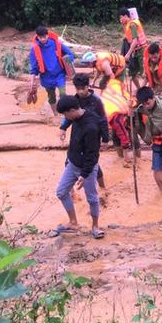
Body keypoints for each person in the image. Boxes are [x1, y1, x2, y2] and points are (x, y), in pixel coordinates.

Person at [55, 95, 104, 239]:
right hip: (72, 163)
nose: (65, 117)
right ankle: (73, 222)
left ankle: (95, 226)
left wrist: (84, 174)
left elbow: (93, 154)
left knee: (92, 198)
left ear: (71, 111)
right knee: (61, 192)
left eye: (65, 114)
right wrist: (63, 128)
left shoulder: (91, 127)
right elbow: (67, 123)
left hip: (87, 168)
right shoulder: (75, 118)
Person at [59, 73, 109, 188]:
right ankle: (70, 190)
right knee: (69, 161)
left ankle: (103, 187)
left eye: (83, 88)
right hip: (77, 134)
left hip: (92, 135)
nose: (80, 91)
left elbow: (103, 120)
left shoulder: (96, 101)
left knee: (92, 163)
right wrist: (63, 128)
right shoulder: (75, 99)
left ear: (88, 86)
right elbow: (68, 115)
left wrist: (105, 139)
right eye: (78, 89)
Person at [28, 26, 75, 116]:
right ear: (37, 37)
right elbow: (33, 67)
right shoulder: (34, 49)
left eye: (44, 37)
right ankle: (55, 115)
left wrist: (68, 64)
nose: (43, 39)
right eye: (40, 37)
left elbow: (69, 54)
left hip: (59, 74)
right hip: (46, 77)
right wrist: (32, 82)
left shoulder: (56, 43)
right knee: (51, 97)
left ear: (47, 35)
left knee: (63, 94)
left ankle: (65, 115)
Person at [101, 78, 140, 166]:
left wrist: (131, 103)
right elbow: (124, 137)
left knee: (133, 139)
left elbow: (131, 103)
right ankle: (125, 158)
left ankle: (131, 157)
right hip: (118, 120)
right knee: (122, 138)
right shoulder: (113, 111)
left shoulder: (116, 95)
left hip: (127, 119)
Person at [119, 7, 148, 90]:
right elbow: (128, 36)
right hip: (135, 51)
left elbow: (135, 41)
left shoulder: (132, 25)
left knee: (144, 73)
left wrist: (128, 54)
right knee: (132, 72)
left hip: (141, 50)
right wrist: (123, 25)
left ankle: (144, 90)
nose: (120, 19)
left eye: (121, 17)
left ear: (125, 16)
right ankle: (140, 89)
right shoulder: (128, 25)